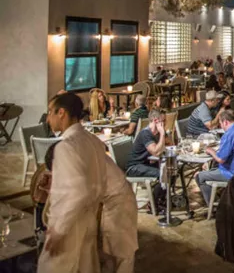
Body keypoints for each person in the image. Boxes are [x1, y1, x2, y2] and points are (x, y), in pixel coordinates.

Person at [39, 93, 137, 273]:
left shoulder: (66, 146)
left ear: (62, 113)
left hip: (111, 202)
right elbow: (88, 178)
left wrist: (58, 231)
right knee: (98, 261)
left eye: (50, 112)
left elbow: (79, 191)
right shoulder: (91, 139)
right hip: (89, 214)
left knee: (121, 256)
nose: (47, 119)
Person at [196, 110, 234, 206]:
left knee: (200, 176)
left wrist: (211, 151)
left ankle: (216, 206)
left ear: (225, 122)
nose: (221, 126)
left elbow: (221, 159)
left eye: (220, 123)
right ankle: (222, 198)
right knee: (212, 168)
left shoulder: (229, 134)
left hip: (233, 173)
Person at [126, 109, 168, 211]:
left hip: (144, 164)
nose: (165, 123)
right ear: (156, 121)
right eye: (164, 121)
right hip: (134, 167)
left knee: (170, 170)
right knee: (162, 173)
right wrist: (162, 134)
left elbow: (165, 147)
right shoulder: (146, 134)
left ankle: (161, 200)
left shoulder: (155, 134)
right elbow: (156, 152)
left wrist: (163, 135)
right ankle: (153, 204)